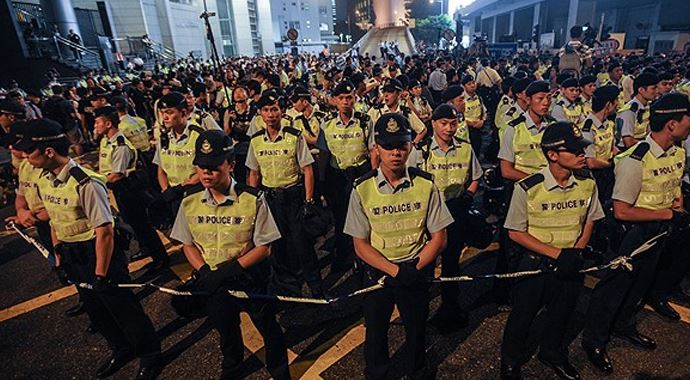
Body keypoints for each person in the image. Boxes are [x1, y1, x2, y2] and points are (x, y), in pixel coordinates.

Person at [16, 119, 162, 379]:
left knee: (123, 308)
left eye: (30, 150)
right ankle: (121, 348)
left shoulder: (86, 182)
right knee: (97, 310)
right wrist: (59, 256)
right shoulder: (44, 178)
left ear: (49, 151)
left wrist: (101, 273)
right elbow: (54, 217)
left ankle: (150, 354)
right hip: (72, 252)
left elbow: (104, 231)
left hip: (97, 252)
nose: (25, 156)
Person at [582, 93, 690, 375]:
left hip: (661, 229)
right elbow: (622, 211)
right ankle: (595, 340)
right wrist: (668, 214)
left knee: (640, 285)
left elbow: (673, 184)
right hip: (635, 233)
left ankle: (624, 325)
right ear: (671, 124)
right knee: (614, 289)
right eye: (687, 118)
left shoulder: (678, 151)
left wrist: (676, 204)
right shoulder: (635, 159)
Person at [170, 130, 291, 380]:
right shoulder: (189, 201)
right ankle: (233, 368)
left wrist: (229, 271)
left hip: (250, 279)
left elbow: (264, 247)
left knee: (269, 328)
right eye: (201, 166)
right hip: (213, 281)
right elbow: (187, 243)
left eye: (213, 166)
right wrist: (204, 272)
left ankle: (279, 370)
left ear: (231, 165)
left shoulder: (252, 198)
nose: (206, 173)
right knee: (226, 330)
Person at [344, 112, 452, 380]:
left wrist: (413, 268)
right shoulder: (362, 188)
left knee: (416, 329)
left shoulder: (426, 184)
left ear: (410, 146)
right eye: (388, 146)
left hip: (415, 269)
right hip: (378, 273)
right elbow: (360, 244)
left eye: (401, 145)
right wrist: (394, 271)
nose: (395, 153)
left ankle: (417, 370)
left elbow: (439, 237)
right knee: (376, 331)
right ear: (376, 148)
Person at [500, 121, 604, 380]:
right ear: (552, 155)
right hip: (536, 265)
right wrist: (558, 255)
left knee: (562, 313)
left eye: (582, 149)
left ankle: (553, 353)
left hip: (571, 262)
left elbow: (589, 219)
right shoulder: (528, 187)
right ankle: (511, 362)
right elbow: (515, 231)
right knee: (522, 317)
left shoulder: (587, 182)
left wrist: (576, 252)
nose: (583, 155)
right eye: (575, 150)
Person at [408, 104, 483, 333]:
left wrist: (468, 196)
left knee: (451, 262)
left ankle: (451, 307)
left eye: (453, 123)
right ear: (433, 124)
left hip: (456, 210)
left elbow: (475, 176)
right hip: (429, 214)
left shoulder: (465, 149)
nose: (449, 129)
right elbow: (409, 181)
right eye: (444, 123)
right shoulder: (421, 150)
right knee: (427, 263)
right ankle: (420, 310)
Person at [246, 91, 323, 297]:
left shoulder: (293, 136)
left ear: (281, 111)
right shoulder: (256, 141)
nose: (271, 114)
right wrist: (252, 201)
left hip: (294, 198)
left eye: (274, 109)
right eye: (266, 110)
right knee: (278, 247)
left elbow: (307, 169)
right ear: (260, 114)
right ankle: (289, 289)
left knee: (303, 245)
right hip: (270, 200)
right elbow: (253, 173)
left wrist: (308, 200)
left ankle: (316, 287)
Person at [93, 105, 168, 271]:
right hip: (120, 190)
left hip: (129, 191)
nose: (95, 126)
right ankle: (152, 253)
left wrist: (94, 183)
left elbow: (116, 175)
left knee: (142, 225)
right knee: (135, 224)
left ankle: (160, 258)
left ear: (108, 124)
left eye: (98, 123)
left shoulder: (120, 146)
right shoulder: (106, 141)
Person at [317, 81, 374, 272]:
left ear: (355, 99)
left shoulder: (365, 121)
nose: (345, 101)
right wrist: (322, 180)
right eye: (341, 98)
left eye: (349, 97)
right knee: (341, 219)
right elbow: (324, 153)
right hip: (338, 177)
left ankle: (367, 257)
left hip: (361, 173)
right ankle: (344, 257)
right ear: (335, 100)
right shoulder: (327, 123)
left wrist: (374, 176)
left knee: (365, 217)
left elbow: (373, 150)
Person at [153, 92, 203, 218]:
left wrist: (188, 185)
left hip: (196, 195)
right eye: (163, 112)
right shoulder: (164, 138)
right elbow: (161, 169)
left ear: (184, 113)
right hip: (174, 196)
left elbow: (206, 169)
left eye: (169, 112)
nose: (165, 117)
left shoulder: (198, 137)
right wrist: (167, 191)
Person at [582, 85, 620, 201]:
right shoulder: (588, 128)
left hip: (609, 173)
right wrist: (611, 164)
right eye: (616, 101)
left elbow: (612, 148)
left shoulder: (609, 124)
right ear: (608, 105)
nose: (618, 104)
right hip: (596, 177)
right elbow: (591, 162)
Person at [616, 72, 659, 149]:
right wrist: (649, 144)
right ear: (641, 90)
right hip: (628, 150)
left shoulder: (648, 106)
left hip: (641, 144)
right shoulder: (629, 111)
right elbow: (628, 141)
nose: (656, 92)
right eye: (653, 88)